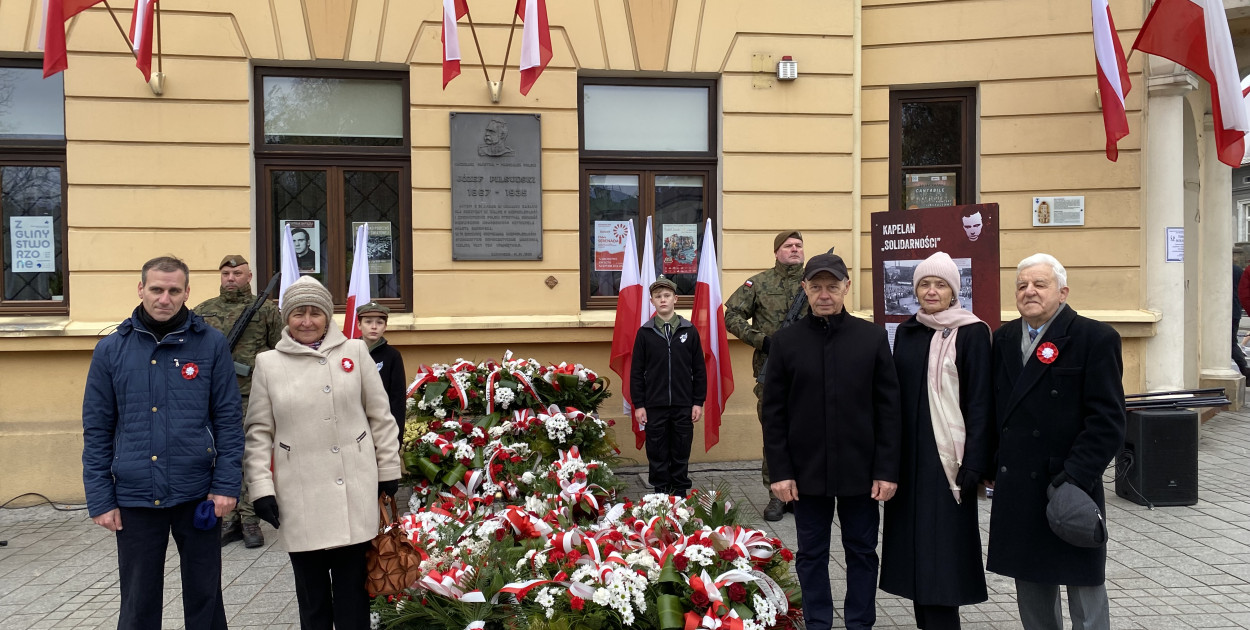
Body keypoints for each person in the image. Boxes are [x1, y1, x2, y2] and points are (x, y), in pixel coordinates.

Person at [81, 256, 243, 630]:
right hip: (135, 496)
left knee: (205, 597)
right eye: (156, 289)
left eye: (173, 290)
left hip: (198, 494)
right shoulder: (111, 350)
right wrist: (101, 499)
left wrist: (225, 486)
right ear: (141, 289)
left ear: (187, 292)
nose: (164, 298)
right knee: (138, 602)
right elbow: (97, 430)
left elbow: (229, 422)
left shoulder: (211, 345)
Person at [244, 276, 402, 630]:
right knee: (313, 598)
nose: (307, 321)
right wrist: (261, 488)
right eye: (299, 313)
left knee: (352, 596)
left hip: (353, 489)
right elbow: (258, 433)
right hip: (300, 494)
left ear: (327, 316)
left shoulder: (355, 352)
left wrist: (389, 467)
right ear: (287, 317)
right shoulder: (268, 363)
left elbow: (381, 415)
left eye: (315, 312)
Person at [762, 253, 901, 630]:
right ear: (804, 288)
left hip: (861, 473)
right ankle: (818, 622)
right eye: (817, 286)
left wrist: (887, 470)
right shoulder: (785, 342)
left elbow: (889, 409)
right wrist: (781, 472)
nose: (825, 294)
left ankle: (860, 622)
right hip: (806, 475)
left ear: (847, 288)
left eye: (833, 286)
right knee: (811, 554)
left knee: (861, 552)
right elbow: (773, 414)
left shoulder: (871, 337)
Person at [987, 253, 1125, 630]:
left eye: (1039, 284)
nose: (1029, 291)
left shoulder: (1094, 338)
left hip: (1066, 487)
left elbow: (1109, 420)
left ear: (1062, 292)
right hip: (1018, 487)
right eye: (1022, 285)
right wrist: (988, 465)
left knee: (1084, 584)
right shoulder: (1002, 338)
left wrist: (1074, 477)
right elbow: (993, 411)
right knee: (1031, 585)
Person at [880, 252, 991, 630]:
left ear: (953, 291)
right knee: (915, 557)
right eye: (924, 284)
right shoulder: (908, 331)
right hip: (910, 462)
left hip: (949, 463)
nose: (931, 291)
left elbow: (980, 400)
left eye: (940, 284)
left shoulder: (973, 332)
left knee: (942, 557)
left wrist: (976, 462)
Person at [195, 254, 283, 548]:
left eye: (237, 273)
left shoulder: (267, 312)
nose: (231, 278)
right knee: (218, 455)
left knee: (247, 456)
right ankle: (227, 516)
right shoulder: (203, 312)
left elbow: (279, 352)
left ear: (249, 277)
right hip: (212, 396)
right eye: (225, 273)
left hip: (251, 395)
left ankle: (249, 520)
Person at [725, 229, 806, 521]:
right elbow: (730, 315)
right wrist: (762, 341)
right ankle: (776, 495)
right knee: (774, 433)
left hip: (808, 374)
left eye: (798, 245)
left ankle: (802, 493)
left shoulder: (815, 283)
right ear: (776, 252)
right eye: (788, 246)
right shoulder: (758, 283)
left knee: (806, 434)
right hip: (770, 373)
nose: (795, 250)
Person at [630, 276, 707, 497]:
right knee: (657, 450)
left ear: (675, 299)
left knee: (681, 448)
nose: (662, 300)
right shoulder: (644, 333)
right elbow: (636, 373)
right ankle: (661, 493)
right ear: (652, 302)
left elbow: (699, 370)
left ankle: (680, 493)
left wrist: (697, 402)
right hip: (654, 405)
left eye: (666, 296)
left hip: (683, 404)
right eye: (658, 297)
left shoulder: (689, 330)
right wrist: (639, 405)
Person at [357, 301, 408, 442]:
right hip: (354, 424)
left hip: (381, 424)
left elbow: (397, 399)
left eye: (379, 323)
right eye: (368, 322)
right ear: (359, 325)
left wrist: (397, 437)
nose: (374, 327)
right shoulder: (348, 352)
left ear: (385, 326)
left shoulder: (392, 356)